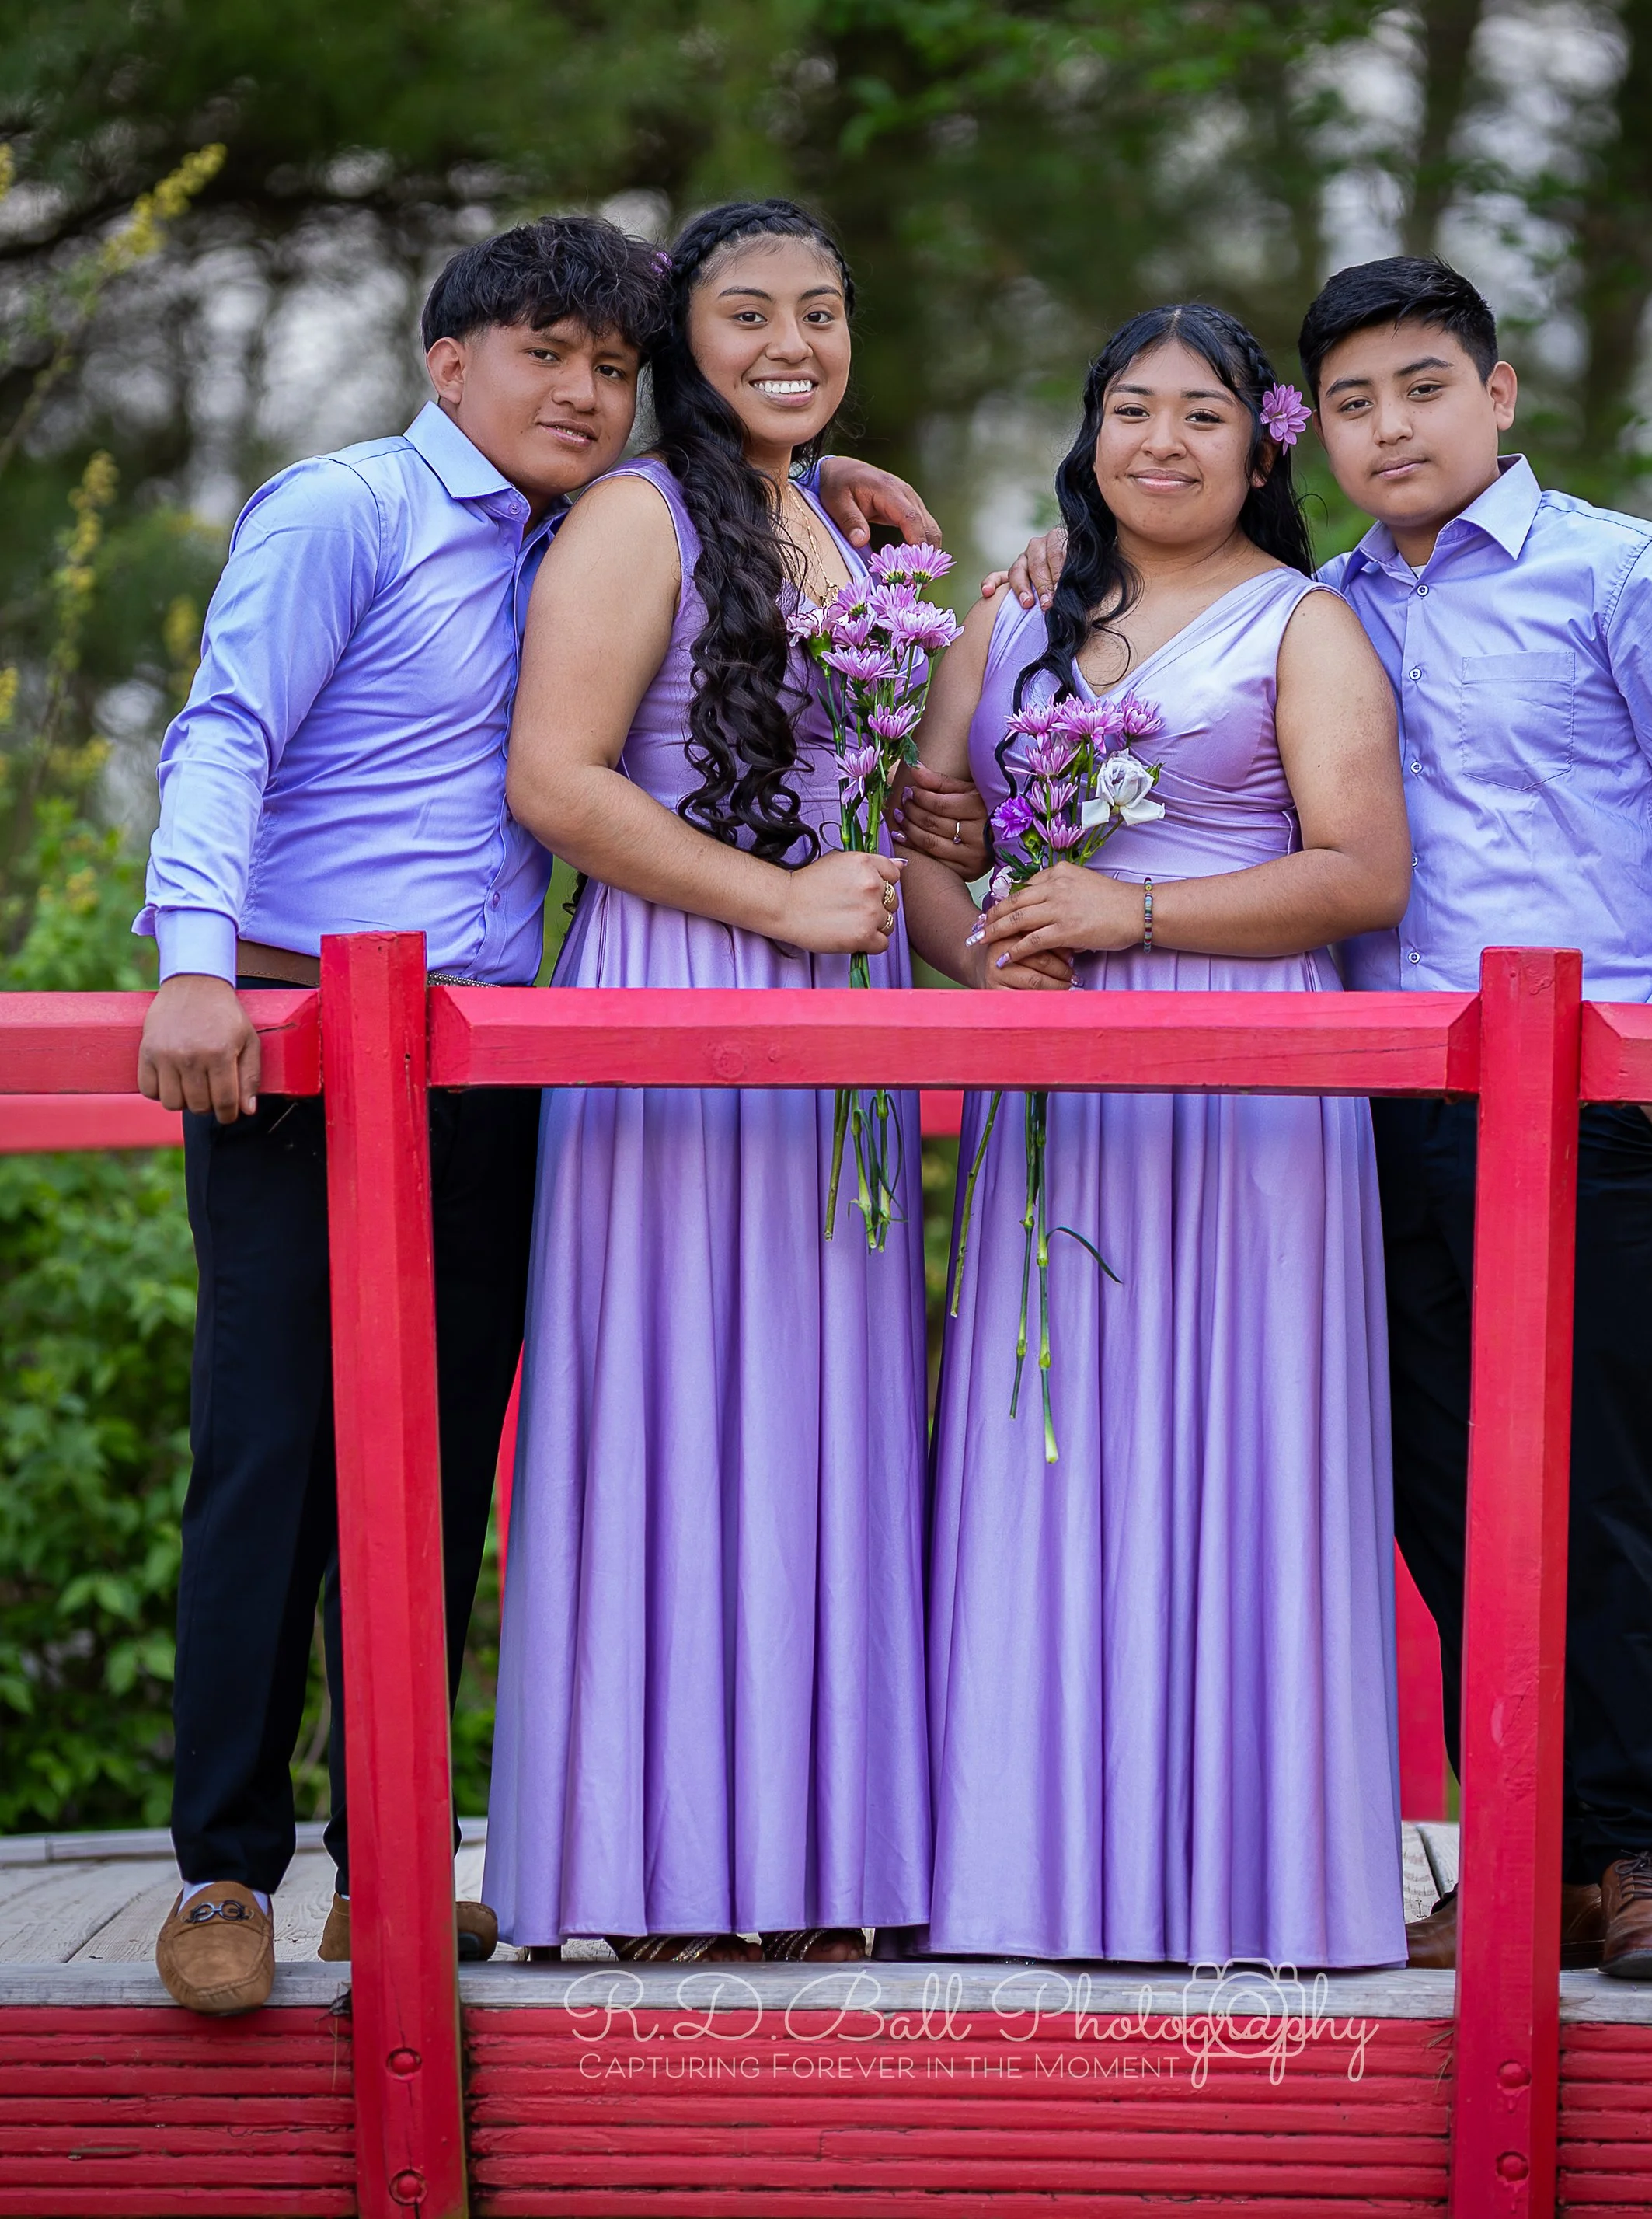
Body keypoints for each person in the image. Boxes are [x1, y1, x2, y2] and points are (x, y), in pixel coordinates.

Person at [989, 257, 1652, 1980]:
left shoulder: (1618, 572)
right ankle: (1528, 1850)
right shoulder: (1323, 603)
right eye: (1357, 400)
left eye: (1424, 388)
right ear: (1320, 427)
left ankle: (1646, 1850)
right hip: (1371, 1092)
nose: (1392, 426)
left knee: (1602, 1471)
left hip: (1587, 1094)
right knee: (1432, 1480)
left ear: (1499, 392)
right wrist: (1036, 559)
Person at [136, 211, 951, 2017]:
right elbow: (223, 732)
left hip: (499, 1051)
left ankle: (388, 1866)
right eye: (541, 356)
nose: (578, 389)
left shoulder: (581, 528)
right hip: (295, 1035)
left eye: (606, 363)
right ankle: (221, 1868)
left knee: (433, 1457)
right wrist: (193, 960)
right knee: (274, 1451)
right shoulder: (343, 507)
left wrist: (803, 480)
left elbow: (692, 652)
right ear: (449, 363)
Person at [483, 200, 968, 1965]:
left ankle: (812, 1853)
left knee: (822, 1417)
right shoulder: (634, 513)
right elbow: (558, 774)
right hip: (684, 988)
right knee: (691, 1408)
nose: (792, 340)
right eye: (749, 311)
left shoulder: (821, 517)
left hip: (843, 1004)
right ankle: (662, 1862)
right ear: (683, 338)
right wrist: (774, 900)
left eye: (823, 312)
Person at [902, 304, 1412, 1970]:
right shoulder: (1016, 609)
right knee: (1045, 1442)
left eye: (1201, 415)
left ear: (1258, 445)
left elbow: (1357, 873)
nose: (1162, 444)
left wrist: (1127, 909)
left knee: (1238, 1445)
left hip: (1252, 1090)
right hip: (1053, 1093)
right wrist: (988, 942)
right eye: (1131, 410)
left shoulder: (1306, 624)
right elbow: (929, 832)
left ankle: (1247, 1878)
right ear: (1091, 428)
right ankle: (1021, 1871)